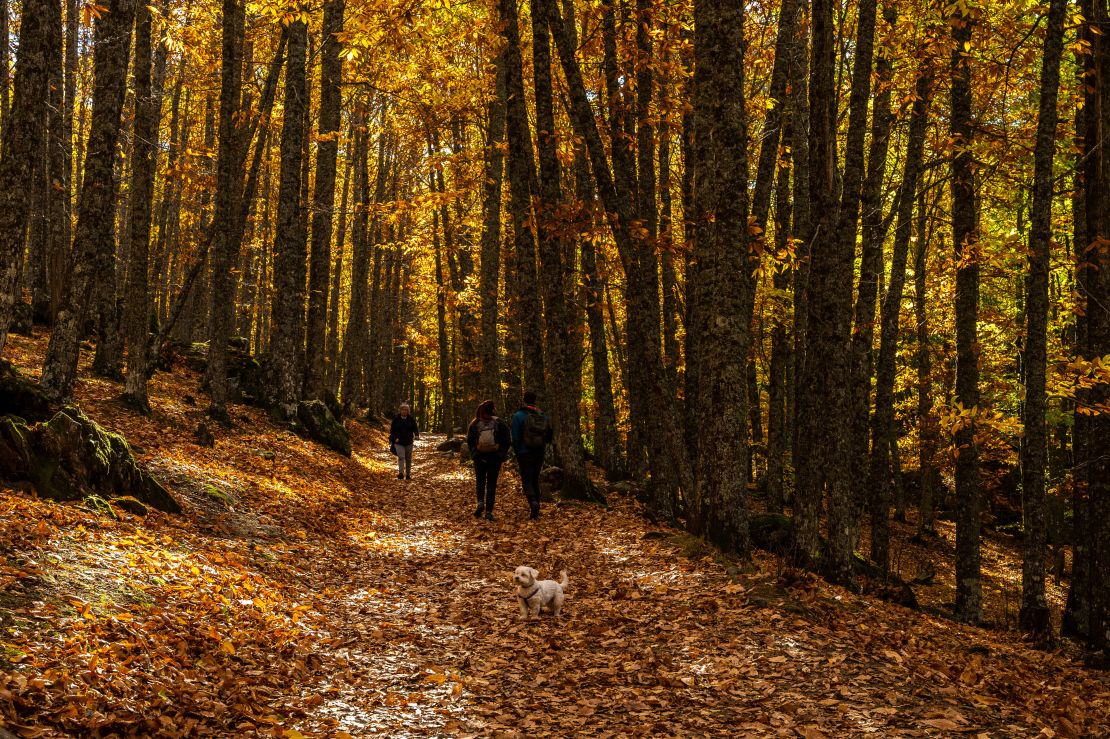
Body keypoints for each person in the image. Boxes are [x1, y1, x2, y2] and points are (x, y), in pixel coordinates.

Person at [510, 390, 553, 519]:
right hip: (539, 451)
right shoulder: (543, 416)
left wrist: (517, 451)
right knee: (535, 479)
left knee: (527, 479)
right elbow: (549, 434)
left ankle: (533, 502)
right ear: (535, 401)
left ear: (524, 400)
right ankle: (537, 507)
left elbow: (516, 436)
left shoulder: (518, 416)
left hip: (524, 452)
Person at [466, 400, 511, 521]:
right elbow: (507, 440)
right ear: (493, 409)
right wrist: (501, 455)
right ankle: (489, 511)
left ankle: (480, 503)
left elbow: (469, 441)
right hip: (494, 458)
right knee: (491, 484)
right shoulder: (499, 422)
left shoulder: (475, 423)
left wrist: (474, 454)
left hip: (479, 458)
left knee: (480, 482)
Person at [389, 403, 420, 480]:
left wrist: (416, 435)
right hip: (398, 442)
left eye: (406, 410)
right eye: (403, 409)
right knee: (401, 457)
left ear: (408, 411)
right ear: (400, 410)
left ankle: (408, 474)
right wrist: (395, 438)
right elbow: (392, 430)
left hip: (409, 441)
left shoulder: (411, 419)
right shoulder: (396, 419)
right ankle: (401, 473)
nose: (404, 411)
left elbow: (415, 428)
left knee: (408, 459)